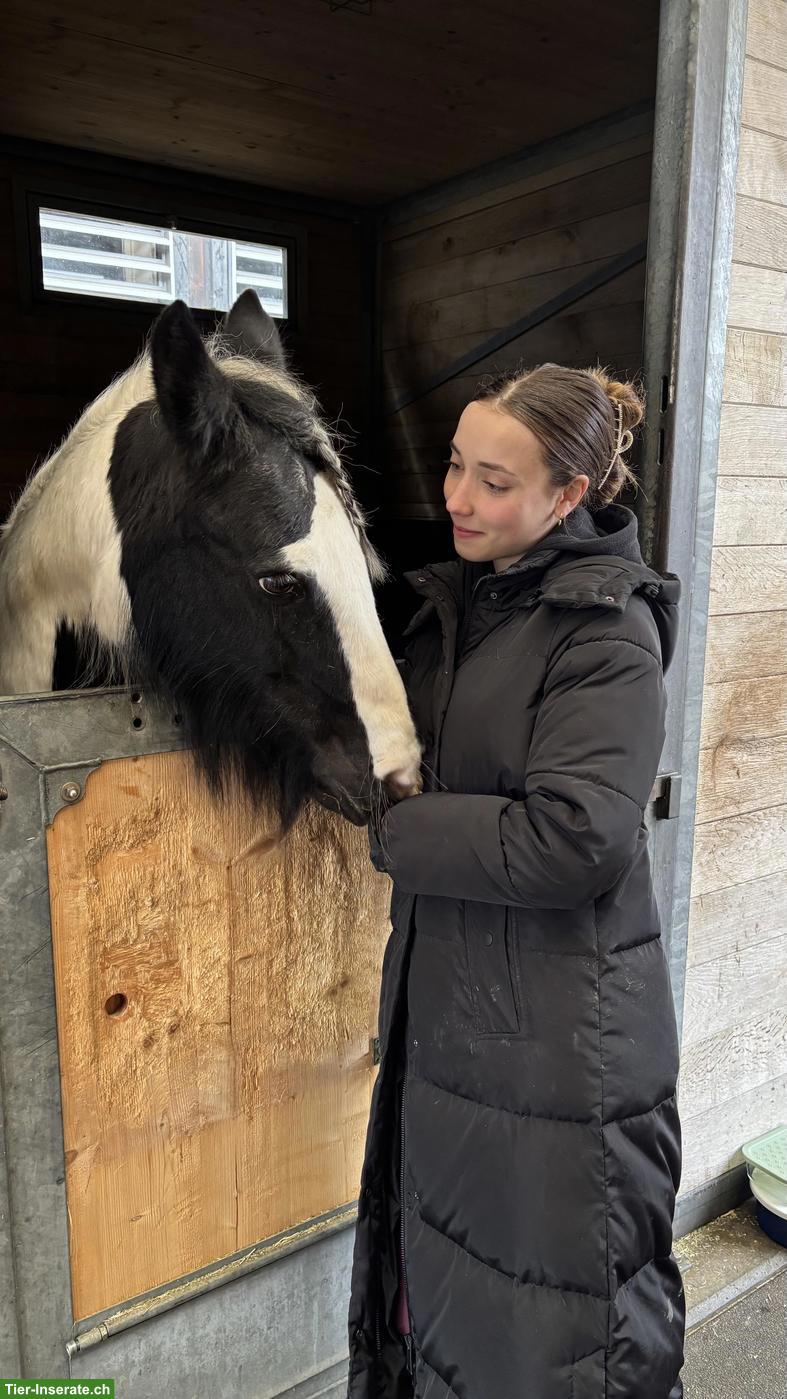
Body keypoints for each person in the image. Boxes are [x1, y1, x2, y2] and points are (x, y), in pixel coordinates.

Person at [346, 364, 685, 1399]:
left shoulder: (603, 632)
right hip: (466, 1021)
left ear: (569, 496)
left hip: (560, 1040)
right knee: (451, 1304)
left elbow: (574, 837)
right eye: (455, 466)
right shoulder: (468, 608)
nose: (456, 497)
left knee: (560, 1332)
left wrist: (400, 830)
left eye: (494, 481)